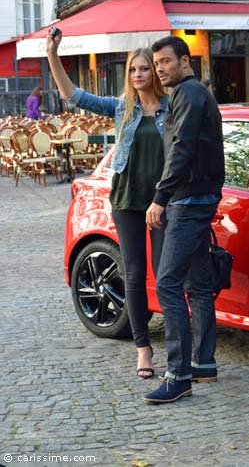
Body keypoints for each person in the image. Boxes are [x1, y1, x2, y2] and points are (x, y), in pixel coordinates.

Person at [46, 30, 168, 379]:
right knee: (133, 272)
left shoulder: (171, 107)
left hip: (161, 201)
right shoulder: (121, 108)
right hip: (127, 200)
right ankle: (143, 350)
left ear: (155, 73)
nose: (139, 75)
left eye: (144, 68)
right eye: (133, 70)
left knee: (165, 275)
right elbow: (73, 96)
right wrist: (53, 54)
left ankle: (177, 346)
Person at [144, 36, 225, 404]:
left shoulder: (188, 95)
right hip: (197, 198)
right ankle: (203, 363)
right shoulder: (193, 93)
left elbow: (182, 150)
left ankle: (178, 376)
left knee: (168, 284)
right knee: (199, 284)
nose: (160, 69)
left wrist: (160, 198)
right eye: (156, 63)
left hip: (188, 201)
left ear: (185, 61)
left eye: (165, 62)